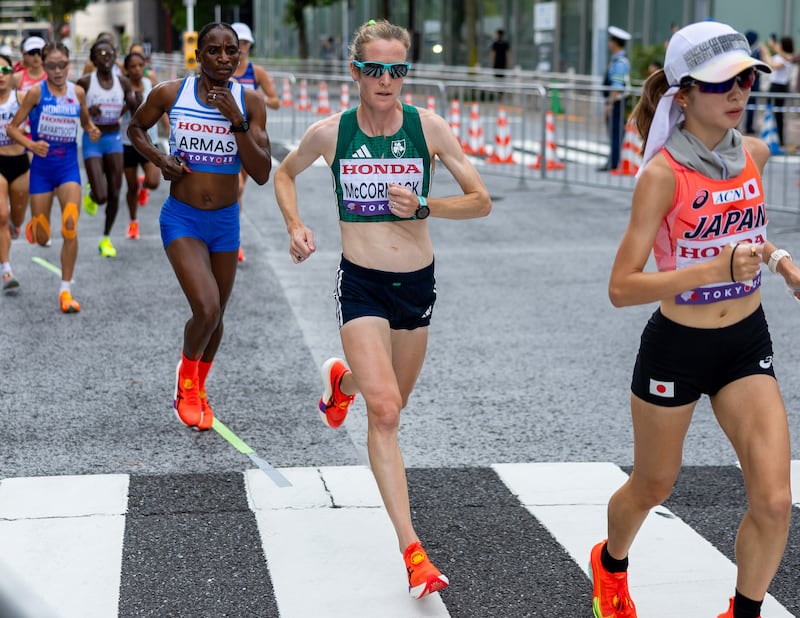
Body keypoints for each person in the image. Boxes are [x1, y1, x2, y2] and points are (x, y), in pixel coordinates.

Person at [273, 18, 491, 600]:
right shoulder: (331, 134)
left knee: (387, 401)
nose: (387, 80)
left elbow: (481, 202)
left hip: (416, 286)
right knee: (388, 413)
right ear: (356, 72)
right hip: (362, 283)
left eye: (398, 69)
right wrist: (295, 225)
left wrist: (425, 206)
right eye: (376, 69)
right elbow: (284, 173)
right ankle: (412, 551)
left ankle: (340, 382)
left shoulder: (429, 128)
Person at [590, 21, 798, 618]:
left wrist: (781, 263)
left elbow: (750, 236)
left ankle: (743, 611)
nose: (737, 93)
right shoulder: (660, 176)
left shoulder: (753, 153)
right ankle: (611, 562)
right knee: (654, 485)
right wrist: (712, 270)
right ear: (682, 95)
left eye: (744, 79)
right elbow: (621, 287)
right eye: (719, 85)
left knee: (776, 501)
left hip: (745, 343)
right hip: (677, 347)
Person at [127, 22, 270, 430]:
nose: (224, 58)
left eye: (231, 51)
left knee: (217, 317)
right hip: (183, 217)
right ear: (198, 56)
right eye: (214, 51)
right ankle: (186, 383)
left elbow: (260, 172)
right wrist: (159, 158)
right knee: (205, 308)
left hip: (225, 222)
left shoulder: (251, 101)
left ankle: (199, 386)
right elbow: (136, 128)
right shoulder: (171, 93)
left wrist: (237, 122)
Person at [6, 42, 101, 313]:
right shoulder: (36, 93)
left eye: (62, 65)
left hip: (68, 167)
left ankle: (65, 290)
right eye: (51, 66)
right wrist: (31, 145)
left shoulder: (78, 92)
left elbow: (85, 123)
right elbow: (12, 129)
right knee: (42, 232)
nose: (58, 71)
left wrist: (92, 130)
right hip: (42, 170)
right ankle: (35, 226)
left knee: (70, 225)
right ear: (43, 65)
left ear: (69, 64)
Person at [77, 39, 136, 257]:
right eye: (100, 53)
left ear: (114, 57)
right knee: (101, 196)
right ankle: (92, 192)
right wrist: (86, 110)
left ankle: (106, 238)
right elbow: (71, 106)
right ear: (93, 59)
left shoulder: (123, 83)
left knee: (115, 191)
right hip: (93, 139)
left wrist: (133, 102)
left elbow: (133, 106)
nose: (105, 56)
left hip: (113, 138)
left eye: (109, 53)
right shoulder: (84, 82)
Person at [230, 21, 279, 263]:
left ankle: (232, 241)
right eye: (237, 43)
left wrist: (258, 98)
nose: (242, 47)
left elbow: (275, 101)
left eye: (246, 43)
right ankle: (229, 240)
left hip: (249, 138)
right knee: (232, 190)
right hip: (225, 135)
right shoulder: (223, 69)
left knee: (237, 189)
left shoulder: (256, 73)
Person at [119, 50, 160, 240]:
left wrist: (169, 126)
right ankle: (133, 222)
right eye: (132, 66)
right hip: (128, 142)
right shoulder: (122, 86)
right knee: (131, 187)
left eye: (140, 65)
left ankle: (145, 185)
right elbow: (116, 114)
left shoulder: (148, 83)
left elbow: (160, 107)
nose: (136, 69)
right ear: (126, 69)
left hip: (148, 140)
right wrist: (128, 103)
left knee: (153, 181)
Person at [0, 52, 27, 292]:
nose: (0, 75)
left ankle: (15, 227)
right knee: (1, 215)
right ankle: (6, 270)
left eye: (5, 70)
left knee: (16, 219)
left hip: (20, 162)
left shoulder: (22, 98)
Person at [598, 26, 631, 172]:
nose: (609, 43)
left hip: (617, 103)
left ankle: (614, 162)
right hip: (616, 102)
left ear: (615, 43)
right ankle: (613, 160)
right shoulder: (617, 60)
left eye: (610, 40)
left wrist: (610, 104)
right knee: (614, 132)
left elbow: (616, 85)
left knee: (615, 132)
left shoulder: (620, 62)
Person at [760, 35, 795, 147]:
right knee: (770, 112)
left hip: (779, 86)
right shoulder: (781, 56)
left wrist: (771, 49)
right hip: (774, 85)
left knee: (778, 115)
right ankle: (769, 138)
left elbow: (774, 65)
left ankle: (780, 141)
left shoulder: (787, 57)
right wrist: (765, 52)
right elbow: (769, 62)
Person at [743, 31, 762, 135]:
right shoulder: (756, 51)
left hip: (742, 82)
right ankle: (748, 127)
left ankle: (735, 127)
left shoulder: (742, 51)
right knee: (751, 106)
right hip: (754, 83)